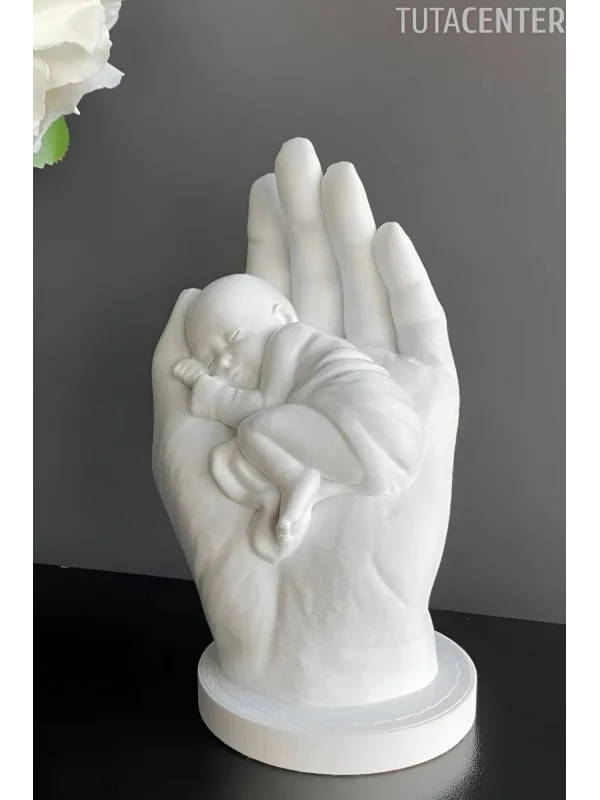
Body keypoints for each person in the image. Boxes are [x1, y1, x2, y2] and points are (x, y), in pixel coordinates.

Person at [174, 274, 423, 562]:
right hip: (381, 452)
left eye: (233, 337)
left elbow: (265, 404)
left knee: (254, 429)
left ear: (283, 316)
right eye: (212, 361)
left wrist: (211, 393)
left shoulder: (288, 337)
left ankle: (295, 479)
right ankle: (305, 486)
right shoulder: (312, 357)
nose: (225, 360)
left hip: (368, 426)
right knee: (253, 435)